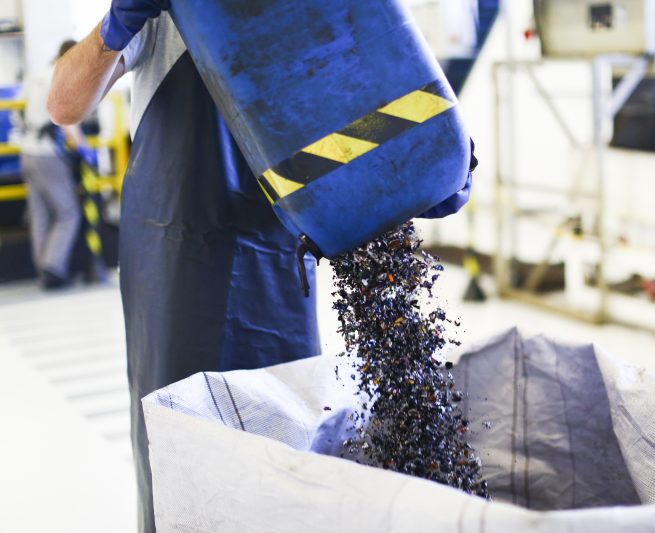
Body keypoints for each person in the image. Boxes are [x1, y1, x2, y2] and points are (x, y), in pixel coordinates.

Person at [48, 2, 472, 532]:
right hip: (179, 256)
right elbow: (63, 104)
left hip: (284, 255)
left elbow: (381, 85)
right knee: (189, 451)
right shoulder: (169, 13)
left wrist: (425, 163)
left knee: (290, 442)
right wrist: (117, 26)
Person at [20, 40, 85, 289]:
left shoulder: (36, 76)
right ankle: (53, 267)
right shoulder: (62, 76)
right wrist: (82, 149)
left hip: (27, 150)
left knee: (40, 214)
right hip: (48, 154)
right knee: (68, 213)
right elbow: (68, 119)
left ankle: (43, 267)